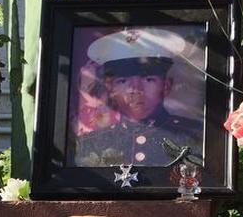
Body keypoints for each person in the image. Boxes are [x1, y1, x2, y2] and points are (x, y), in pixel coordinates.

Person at [70, 27, 203, 167]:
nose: (135, 89)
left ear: (166, 85)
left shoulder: (195, 138)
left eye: (148, 79)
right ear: (110, 87)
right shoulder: (92, 145)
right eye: (123, 81)